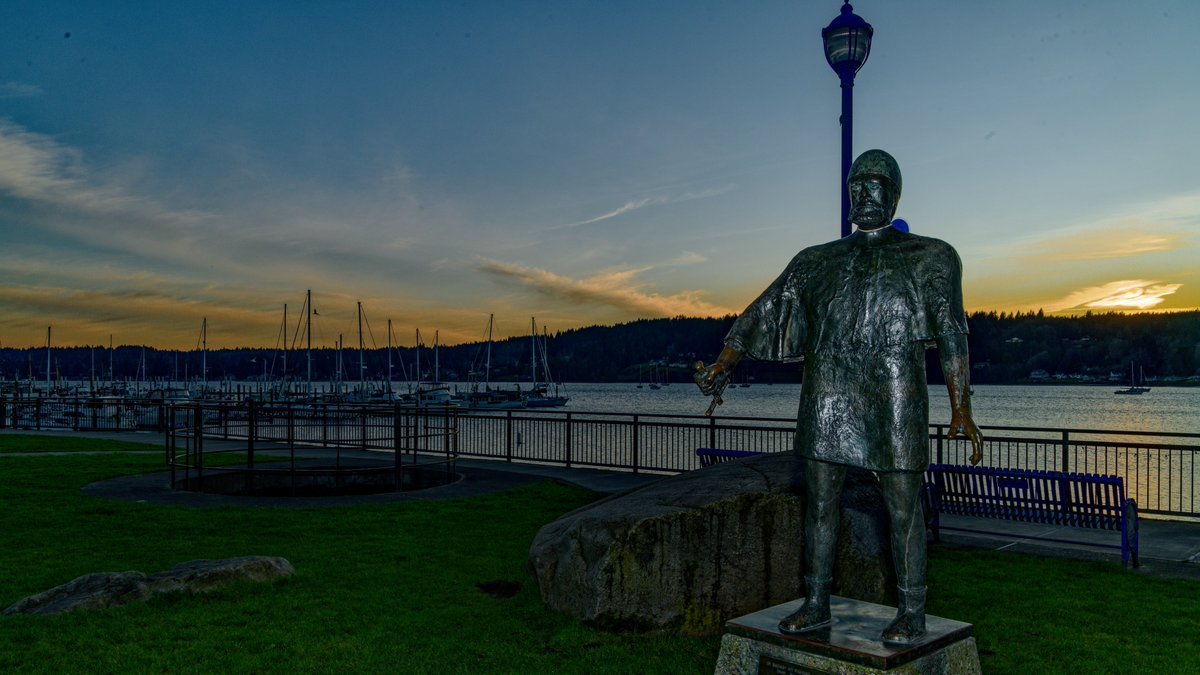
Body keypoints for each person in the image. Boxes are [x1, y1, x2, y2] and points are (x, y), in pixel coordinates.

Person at [695, 149, 983, 644]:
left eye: (874, 185)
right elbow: (763, 310)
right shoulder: (817, 260)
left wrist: (961, 406)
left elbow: (953, 335)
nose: (863, 194)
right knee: (821, 503)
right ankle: (815, 602)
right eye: (856, 185)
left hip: (896, 394)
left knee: (902, 506)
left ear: (894, 192)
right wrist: (724, 364)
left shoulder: (932, 257)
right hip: (827, 392)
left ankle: (912, 608)